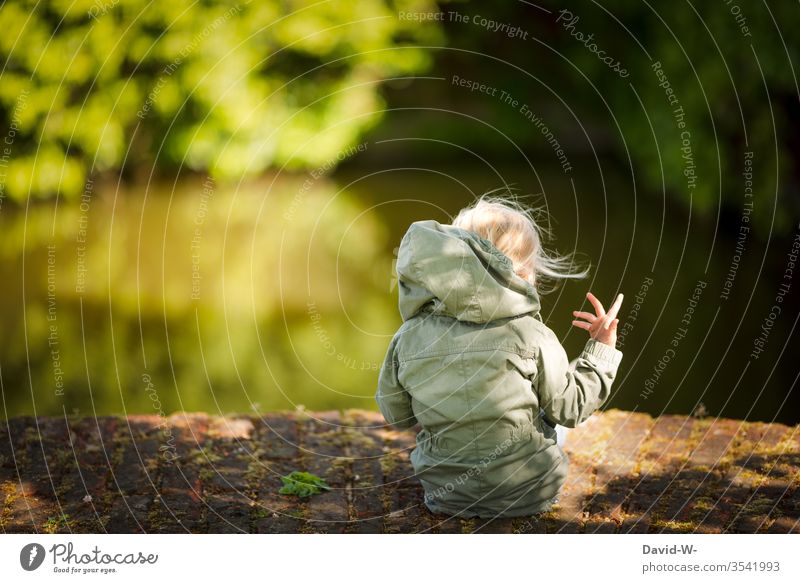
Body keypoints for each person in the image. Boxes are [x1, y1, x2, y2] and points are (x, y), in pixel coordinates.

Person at [375, 195, 624, 518]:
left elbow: (396, 415)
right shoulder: (531, 334)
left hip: (444, 496)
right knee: (561, 396)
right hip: (528, 494)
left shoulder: (407, 337)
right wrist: (602, 348)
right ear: (517, 272)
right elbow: (570, 408)